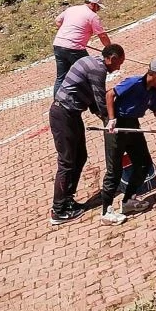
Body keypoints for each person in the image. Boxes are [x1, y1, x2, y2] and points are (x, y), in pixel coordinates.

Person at [100, 57, 156, 225]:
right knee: (115, 170)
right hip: (117, 126)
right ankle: (106, 211)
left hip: (133, 125)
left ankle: (128, 200)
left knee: (143, 163)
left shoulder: (153, 92)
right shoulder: (134, 82)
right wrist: (111, 119)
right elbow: (110, 94)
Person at [49, 43, 125, 225]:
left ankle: (68, 199)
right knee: (67, 161)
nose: (119, 68)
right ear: (112, 58)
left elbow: (91, 98)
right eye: (118, 63)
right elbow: (99, 99)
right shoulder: (98, 69)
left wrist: (104, 117)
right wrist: (110, 120)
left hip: (71, 114)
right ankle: (58, 210)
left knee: (80, 156)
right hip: (63, 114)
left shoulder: (91, 62)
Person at [52, 0, 112, 97]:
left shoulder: (72, 9)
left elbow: (57, 21)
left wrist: (68, 33)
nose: (98, 9)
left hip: (58, 44)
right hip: (74, 48)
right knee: (90, 71)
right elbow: (102, 36)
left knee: (61, 77)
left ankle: (57, 103)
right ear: (93, 4)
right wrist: (110, 49)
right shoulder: (92, 16)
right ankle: (97, 103)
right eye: (98, 7)